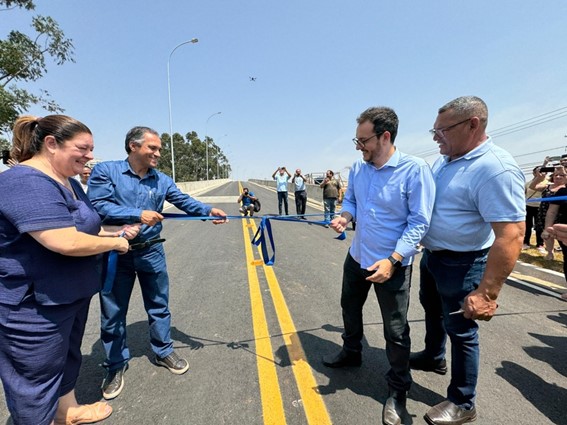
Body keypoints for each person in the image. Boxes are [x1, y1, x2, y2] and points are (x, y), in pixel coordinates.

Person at [0, 115, 140, 425]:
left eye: (91, 149)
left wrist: (116, 233)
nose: (90, 156)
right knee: (34, 378)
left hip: (69, 296)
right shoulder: (24, 181)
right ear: (51, 144)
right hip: (33, 306)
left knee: (65, 358)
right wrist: (115, 246)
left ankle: (67, 411)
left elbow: (85, 227)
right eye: (83, 148)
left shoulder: (70, 182)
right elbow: (62, 239)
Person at [88, 126, 228, 401]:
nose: (158, 153)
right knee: (113, 312)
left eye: (160, 149)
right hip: (116, 252)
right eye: (153, 148)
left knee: (159, 305)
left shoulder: (161, 180)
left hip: (151, 251)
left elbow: (182, 200)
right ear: (133, 146)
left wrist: (207, 210)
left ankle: (163, 351)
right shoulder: (106, 171)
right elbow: (98, 206)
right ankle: (115, 366)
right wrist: (138, 213)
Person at [413, 96, 525, 425]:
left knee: (461, 330)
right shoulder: (446, 159)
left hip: (463, 264)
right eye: (434, 130)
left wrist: (487, 293)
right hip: (434, 257)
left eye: (442, 130)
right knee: (432, 310)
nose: (435, 137)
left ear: (472, 125)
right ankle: (434, 356)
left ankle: (463, 401)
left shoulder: (494, 169)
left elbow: (511, 234)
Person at [322, 107, 435, 425]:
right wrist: (344, 217)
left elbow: (419, 223)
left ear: (385, 136)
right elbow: (352, 202)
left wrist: (394, 259)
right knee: (349, 306)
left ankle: (398, 392)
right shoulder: (360, 169)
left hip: (393, 265)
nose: (359, 147)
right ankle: (352, 351)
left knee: (395, 331)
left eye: (363, 140)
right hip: (358, 256)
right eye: (356, 140)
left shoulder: (415, 170)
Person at [530, 167, 565, 259]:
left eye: (561, 175)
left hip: (559, 215)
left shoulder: (564, 189)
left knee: (559, 234)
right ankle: (550, 252)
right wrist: (539, 178)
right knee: (547, 234)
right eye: (556, 175)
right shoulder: (548, 186)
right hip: (544, 213)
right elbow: (532, 187)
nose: (558, 177)